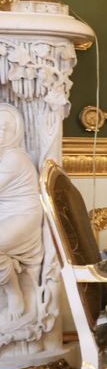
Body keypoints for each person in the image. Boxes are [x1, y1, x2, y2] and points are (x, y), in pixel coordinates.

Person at [0, 104, 43, 327]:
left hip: (24, 215)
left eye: (5, 128)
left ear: (16, 131)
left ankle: (14, 292)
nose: (1, 132)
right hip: (7, 214)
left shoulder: (13, 158)